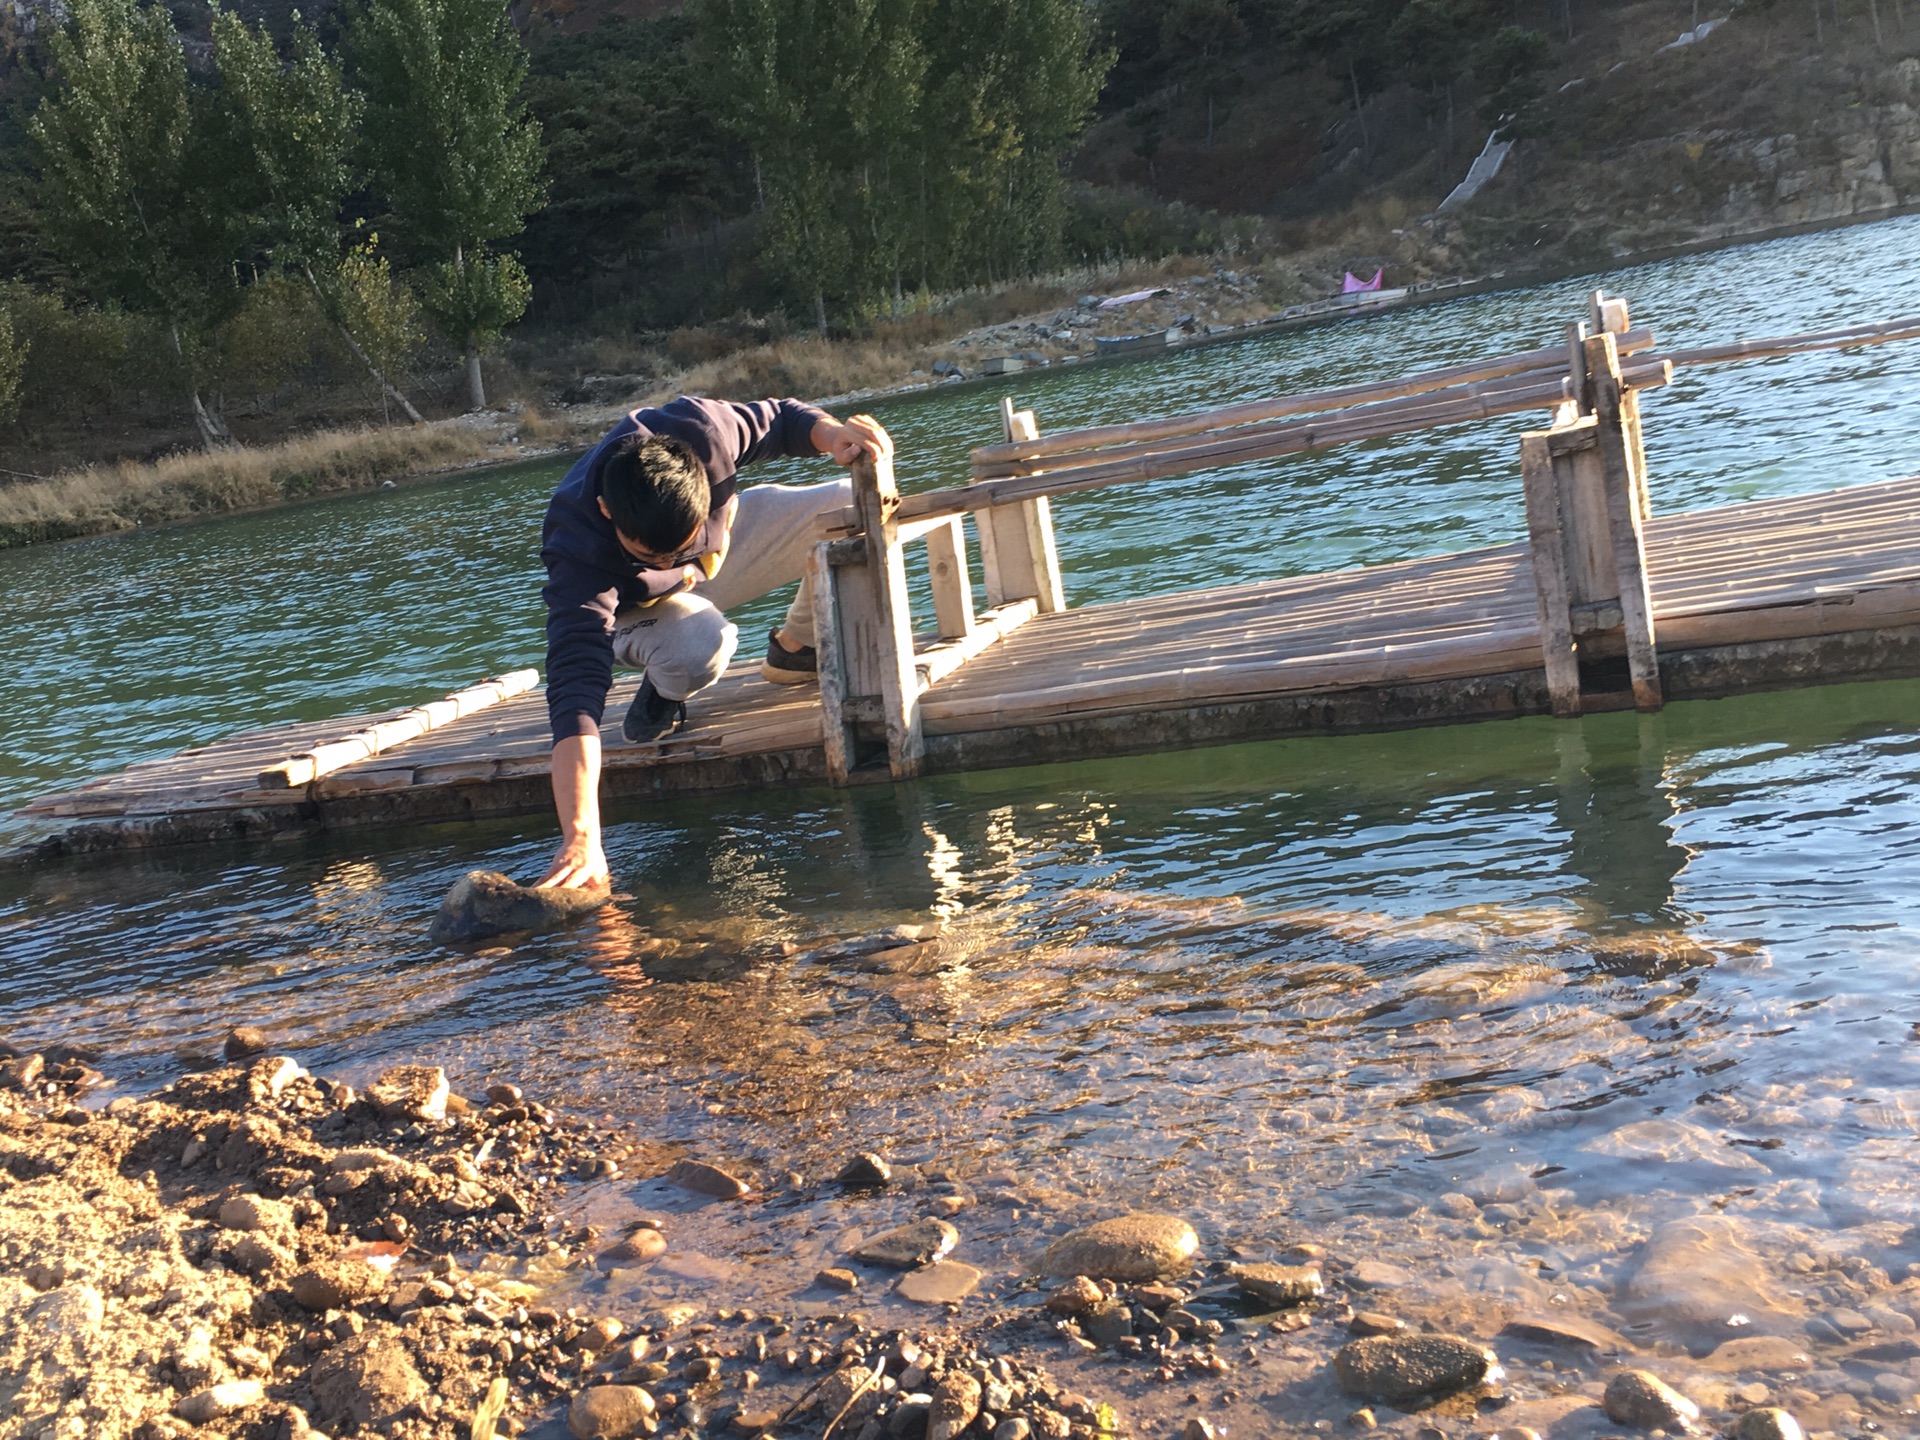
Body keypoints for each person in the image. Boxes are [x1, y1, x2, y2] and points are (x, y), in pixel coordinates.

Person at [536, 395, 892, 891]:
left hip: (715, 557)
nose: (667, 559)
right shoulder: (576, 544)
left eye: (677, 545)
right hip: (636, 607)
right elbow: (575, 694)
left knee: (849, 501)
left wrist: (835, 436)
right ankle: (666, 688)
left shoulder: (701, 429)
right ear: (605, 511)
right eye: (650, 553)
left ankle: (796, 646)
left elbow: (784, 419)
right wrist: (581, 837)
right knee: (706, 643)